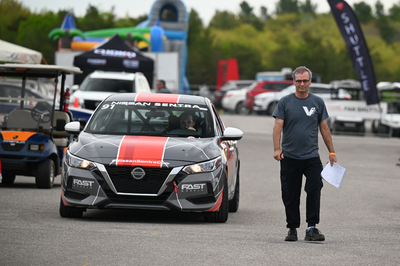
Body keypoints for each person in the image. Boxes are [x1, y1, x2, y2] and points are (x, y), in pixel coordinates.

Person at [272, 66, 337, 242]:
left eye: (305, 80)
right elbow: (278, 126)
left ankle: (311, 228)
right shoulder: (285, 102)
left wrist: (331, 151)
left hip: (311, 157)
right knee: (290, 194)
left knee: (314, 188)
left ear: (310, 82)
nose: (302, 84)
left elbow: (324, 128)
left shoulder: (318, 102)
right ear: (293, 82)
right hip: (290, 157)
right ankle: (292, 228)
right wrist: (277, 149)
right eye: (298, 80)